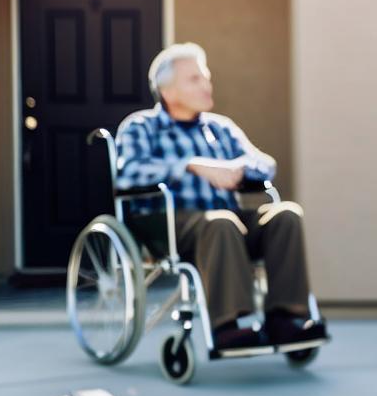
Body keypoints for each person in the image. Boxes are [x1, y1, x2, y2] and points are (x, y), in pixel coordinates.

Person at [115, 43, 322, 352]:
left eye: (206, 77)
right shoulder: (141, 126)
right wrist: (190, 165)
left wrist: (240, 167)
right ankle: (227, 326)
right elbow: (128, 174)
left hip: (225, 223)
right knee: (220, 222)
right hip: (167, 225)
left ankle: (285, 318)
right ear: (167, 91)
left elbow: (266, 164)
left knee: (285, 215)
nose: (207, 85)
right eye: (195, 79)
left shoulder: (221, 129)